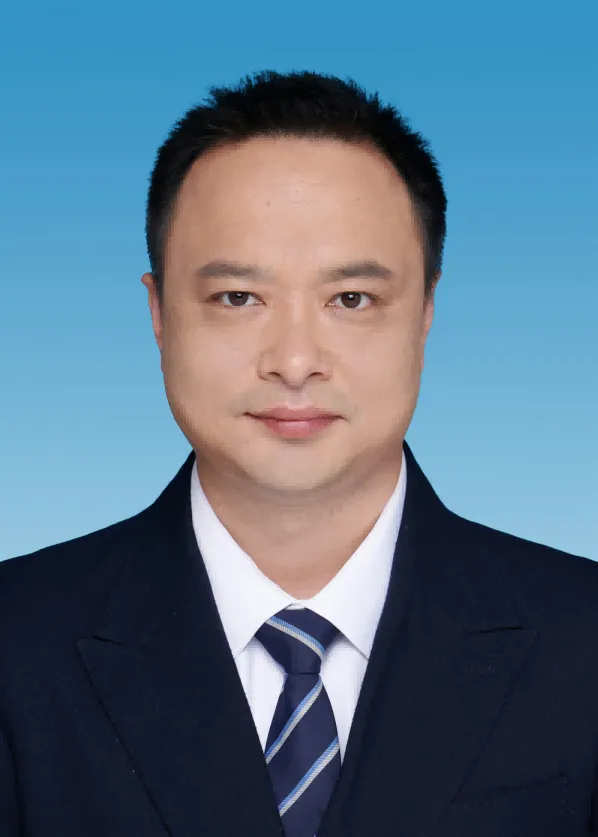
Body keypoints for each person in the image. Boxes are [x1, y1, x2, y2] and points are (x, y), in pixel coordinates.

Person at [0, 69, 596, 837]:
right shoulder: (17, 642)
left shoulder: (582, 639)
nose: (293, 360)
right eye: (237, 298)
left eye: (351, 299)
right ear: (158, 313)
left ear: (426, 313)